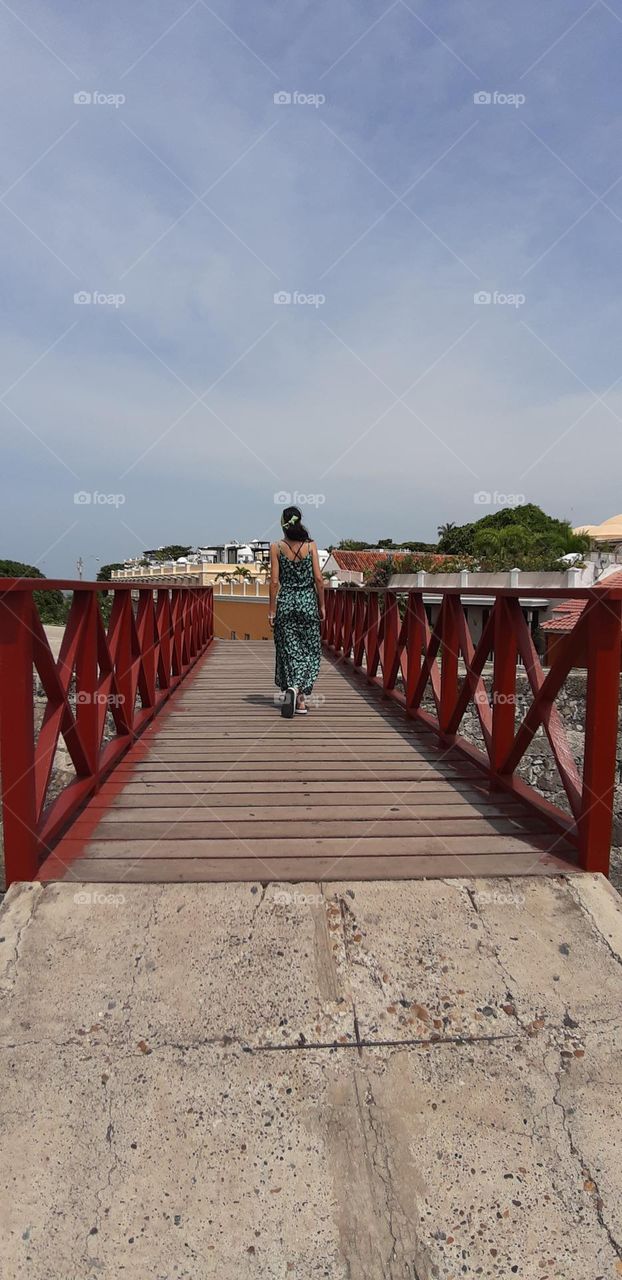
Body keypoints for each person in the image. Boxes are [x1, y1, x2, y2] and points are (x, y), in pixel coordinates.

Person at [269, 505, 325, 717]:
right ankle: (300, 700)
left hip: (286, 604)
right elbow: (319, 579)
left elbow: (274, 582)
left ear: (283, 522)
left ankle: (293, 690)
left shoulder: (276, 547)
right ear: (299, 521)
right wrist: (322, 605)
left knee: (289, 649)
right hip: (307, 603)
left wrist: (271, 611)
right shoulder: (311, 547)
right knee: (310, 650)